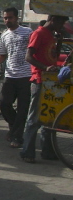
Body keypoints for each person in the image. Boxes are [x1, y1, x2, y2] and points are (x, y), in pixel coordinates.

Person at [20, 15, 68, 163]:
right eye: (61, 22)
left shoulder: (51, 35)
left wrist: (59, 40)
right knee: (34, 118)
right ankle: (27, 151)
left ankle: (47, 151)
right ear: (53, 19)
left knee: (49, 117)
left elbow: (54, 55)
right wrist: (45, 68)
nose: (62, 26)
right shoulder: (38, 33)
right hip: (39, 79)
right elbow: (28, 57)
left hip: (50, 81)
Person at [0, 7, 33, 148]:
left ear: (17, 18)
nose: (7, 21)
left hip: (26, 75)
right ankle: (14, 125)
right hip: (10, 75)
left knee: (23, 108)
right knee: (3, 103)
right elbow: (2, 55)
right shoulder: (4, 35)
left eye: (10, 18)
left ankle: (17, 137)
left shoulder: (28, 32)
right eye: (5, 18)